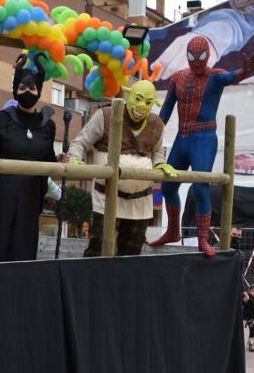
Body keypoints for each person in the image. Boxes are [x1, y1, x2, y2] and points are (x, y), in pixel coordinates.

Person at [148, 39, 254, 257]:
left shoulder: (215, 77)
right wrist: (149, 132)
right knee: (168, 187)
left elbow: (232, 76)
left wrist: (244, 71)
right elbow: (165, 112)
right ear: (187, 55)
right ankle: (173, 231)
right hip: (183, 139)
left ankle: (203, 239)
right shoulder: (178, 79)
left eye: (200, 57)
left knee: (201, 187)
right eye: (192, 57)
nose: (196, 62)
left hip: (204, 137)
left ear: (207, 55)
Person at [0, 53, 57, 263]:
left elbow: (48, 159)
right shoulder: (2, 119)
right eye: (22, 89)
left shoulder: (47, 125)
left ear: (39, 91)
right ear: (15, 91)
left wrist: (60, 160)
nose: (27, 92)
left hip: (29, 200)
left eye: (31, 89)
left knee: (22, 251)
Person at [64, 80, 175, 256]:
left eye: (147, 102)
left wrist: (160, 164)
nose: (141, 106)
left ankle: (125, 284)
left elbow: (158, 152)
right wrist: (74, 159)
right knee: (98, 250)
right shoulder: (106, 115)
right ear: (129, 95)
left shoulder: (156, 124)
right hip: (106, 198)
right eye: (137, 99)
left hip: (140, 203)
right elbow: (80, 142)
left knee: (131, 253)